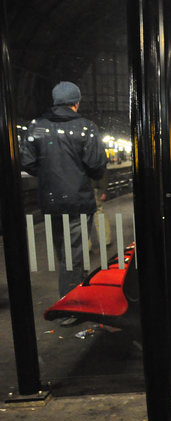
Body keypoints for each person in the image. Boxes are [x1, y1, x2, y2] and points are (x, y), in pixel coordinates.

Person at [20, 81, 108, 324]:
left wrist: (50, 174)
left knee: (64, 252)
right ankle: (70, 308)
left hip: (50, 200)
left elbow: (26, 161)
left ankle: (78, 296)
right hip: (77, 200)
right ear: (76, 102)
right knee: (74, 254)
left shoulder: (37, 126)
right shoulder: (86, 128)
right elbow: (96, 165)